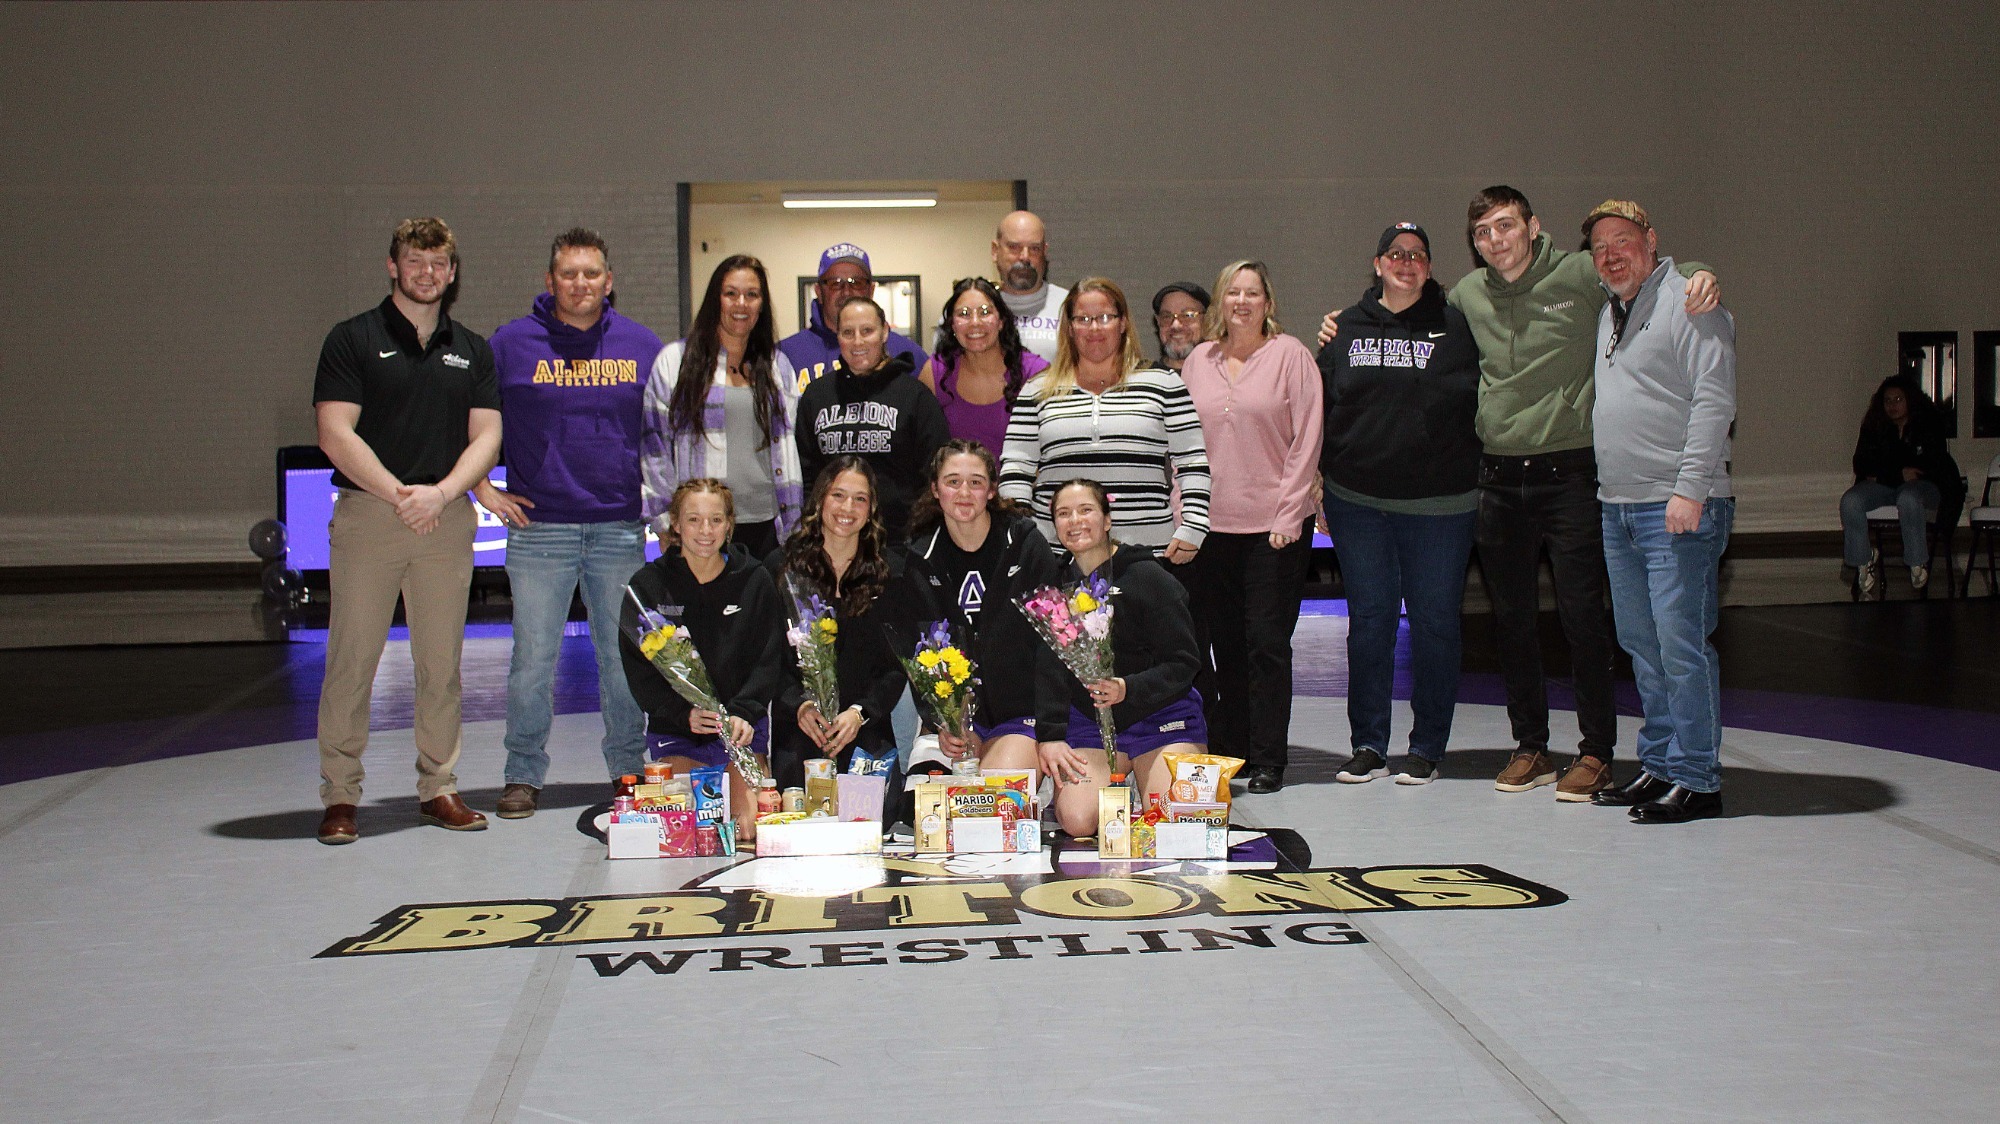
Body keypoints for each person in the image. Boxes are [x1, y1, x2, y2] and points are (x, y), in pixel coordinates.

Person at [1321, 186, 1721, 801]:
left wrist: (1700, 274)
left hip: (1571, 476)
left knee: (1585, 619)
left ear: (1533, 226)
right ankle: (1531, 744)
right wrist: (1339, 324)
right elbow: (1399, 318)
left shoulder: (1580, 272)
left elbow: (1639, 265)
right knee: (1512, 621)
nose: (1496, 240)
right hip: (1500, 480)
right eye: (1484, 233)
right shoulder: (1466, 297)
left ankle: (1595, 753)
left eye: (1506, 226)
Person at [311, 217, 501, 844]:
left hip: (444, 519)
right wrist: (399, 494)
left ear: (453, 271)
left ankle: (439, 786)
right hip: (372, 514)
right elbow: (335, 433)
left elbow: (488, 436)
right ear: (393, 266)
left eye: (438, 262)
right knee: (353, 658)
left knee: (441, 664)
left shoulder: (471, 347)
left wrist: (442, 494)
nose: (427, 273)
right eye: (415, 261)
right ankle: (340, 795)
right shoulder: (353, 339)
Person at [476, 228, 664, 819]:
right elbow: (471, 421)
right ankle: (522, 773)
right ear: (550, 280)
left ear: (609, 282)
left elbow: (664, 434)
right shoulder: (509, 344)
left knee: (622, 657)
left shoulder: (642, 345)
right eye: (568, 274)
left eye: (591, 274)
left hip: (618, 528)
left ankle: (628, 769)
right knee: (533, 657)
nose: (579, 284)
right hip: (540, 530)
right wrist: (480, 486)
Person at [1578, 200, 1738, 824]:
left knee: (1681, 644)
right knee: (1642, 643)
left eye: (1623, 240)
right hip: (1619, 506)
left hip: (1676, 507)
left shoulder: (1690, 302)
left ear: (1651, 240)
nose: (1612, 253)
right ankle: (1662, 765)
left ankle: (1698, 777)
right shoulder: (1610, 313)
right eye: (1600, 247)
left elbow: (1714, 399)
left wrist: (1690, 489)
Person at [1315, 224, 1481, 788]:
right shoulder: (1344, 327)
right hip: (1358, 502)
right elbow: (1325, 406)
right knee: (1369, 624)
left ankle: (1428, 745)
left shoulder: (1459, 324)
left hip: (1441, 506)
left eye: (1418, 256)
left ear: (1430, 267)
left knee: (1434, 624)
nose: (1407, 263)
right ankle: (1368, 744)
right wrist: (1320, 482)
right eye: (1396, 254)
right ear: (1378, 263)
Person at [1178, 261, 1322, 794]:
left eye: (1252, 293)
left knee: (1266, 643)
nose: (1242, 301)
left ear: (1268, 302)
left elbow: (1307, 439)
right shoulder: (1199, 360)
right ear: (1221, 302)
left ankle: (1268, 758)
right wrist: (1184, 518)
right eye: (1232, 292)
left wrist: (1289, 515)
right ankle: (1231, 748)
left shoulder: (1291, 357)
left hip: (1274, 531)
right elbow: (1184, 445)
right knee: (1223, 647)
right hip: (1212, 528)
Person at [618, 478, 785, 842]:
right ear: (675, 524)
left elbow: (769, 658)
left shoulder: (754, 579)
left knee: (749, 829)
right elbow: (639, 671)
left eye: (715, 520)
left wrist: (745, 710)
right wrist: (682, 715)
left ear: (729, 525)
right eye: (693, 520)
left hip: (741, 731)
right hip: (680, 733)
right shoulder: (648, 585)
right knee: (690, 827)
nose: (705, 531)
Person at [1035, 480, 1205, 833]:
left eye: (1086, 510)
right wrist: (1050, 735)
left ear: (1108, 519)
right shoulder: (1055, 589)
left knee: (1177, 821)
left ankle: (1145, 777)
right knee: (1078, 822)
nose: (1075, 521)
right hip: (1092, 722)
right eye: (1063, 514)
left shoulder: (1148, 577)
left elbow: (1184, 662)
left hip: (1160, 714)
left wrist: (1129, 687)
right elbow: (1049, 671)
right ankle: (1114, 782)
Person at [1000, 277, 1211, 560]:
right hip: (1057, 554)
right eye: (1083, 319)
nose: (1094, 328)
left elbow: (1192, 461)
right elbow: (1016, 467)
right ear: (1070, 327)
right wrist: (1019, 532)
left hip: (1146, 554)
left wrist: (1194, 526)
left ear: (1122, 323)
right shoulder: (1036, 390)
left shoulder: (1164, 384)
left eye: (1104, 317)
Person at [901, 440, 1061, 774]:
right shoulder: (922, 558)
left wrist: (1052, 728)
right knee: (921, 802)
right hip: (955, 724)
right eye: (952, 481)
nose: (964, 492)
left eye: (976, 482)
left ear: (991, 490)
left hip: (1020, 715)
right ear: (935, 489)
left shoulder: (1024, 544)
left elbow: (1055, 643)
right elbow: (922, 654)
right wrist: (945, 720)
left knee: (992, 800)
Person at [641, 255, 803, 561]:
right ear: (715, 299)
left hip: (768, 523)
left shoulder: (777, 366)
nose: (741, 304)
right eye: (730, 293)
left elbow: (788, 446)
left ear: (762, 304)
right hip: (702, 528)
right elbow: (654, 450)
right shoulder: (675, 362)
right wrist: (665, 523)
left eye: (752, 295)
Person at [765, 458, 908, 796]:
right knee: (803, 820)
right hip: (803, 726)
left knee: (874, 821)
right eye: (838, 495)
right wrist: (799, 705)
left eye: (860, 499)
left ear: (872, 508)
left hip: (864, 726)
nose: (848, 507)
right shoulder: (782, 567)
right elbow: (767, 658)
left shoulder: (891, 573)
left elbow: (897, 666)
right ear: (820, 500)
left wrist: (860, 714)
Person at [795, 299, 952, 539]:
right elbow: (806, 474)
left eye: (867, 331)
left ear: (885, 332)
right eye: (848, 332)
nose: (858, 341)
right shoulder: (816, 396)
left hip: (899, 542)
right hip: (832, 541)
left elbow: (935, 473)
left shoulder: (915, 397)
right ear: (838, 336)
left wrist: (921, 536)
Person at [1840, 375, 1961, 597]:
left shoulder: (1928, 424)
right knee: (1851, 501)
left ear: (1910, 400)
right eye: (1888, 400)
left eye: (1898, 399)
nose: (1893, 405)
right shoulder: (1875, 427)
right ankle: (1862, 559)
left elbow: (1929, 465)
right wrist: (1897, 474)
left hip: (1924, 486)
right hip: (1887, 485)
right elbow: (1863, 463)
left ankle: (1917, 563)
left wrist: (1888, 473)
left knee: (1909, 498)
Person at [920, 277, 1050, 456]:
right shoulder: (935, 373)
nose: (975, 322)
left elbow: (1051, 449)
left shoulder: (1034, 372)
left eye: (985, 312)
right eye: (964, 314)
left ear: (1001, 321)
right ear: (952, 325)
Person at [778, 242, 928, 387]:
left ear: (871, 290)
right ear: (819, 292)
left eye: (857, 282)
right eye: (835, 283)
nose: (846, 291)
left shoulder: (909, 355)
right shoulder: (785, 356)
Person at [992, 211, 1069, 363]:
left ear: (1044, 252)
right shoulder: (973, 313)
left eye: (1034, 248)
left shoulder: (1070, 305)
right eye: (1014, 247)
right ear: (995, 251)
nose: (1025, 257)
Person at [1151, 281, 1210, 372]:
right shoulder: (1145, 381)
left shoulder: (1224, 378)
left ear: (1207, 320)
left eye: (1188, 315)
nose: (1176, 325)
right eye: (1166, 316)